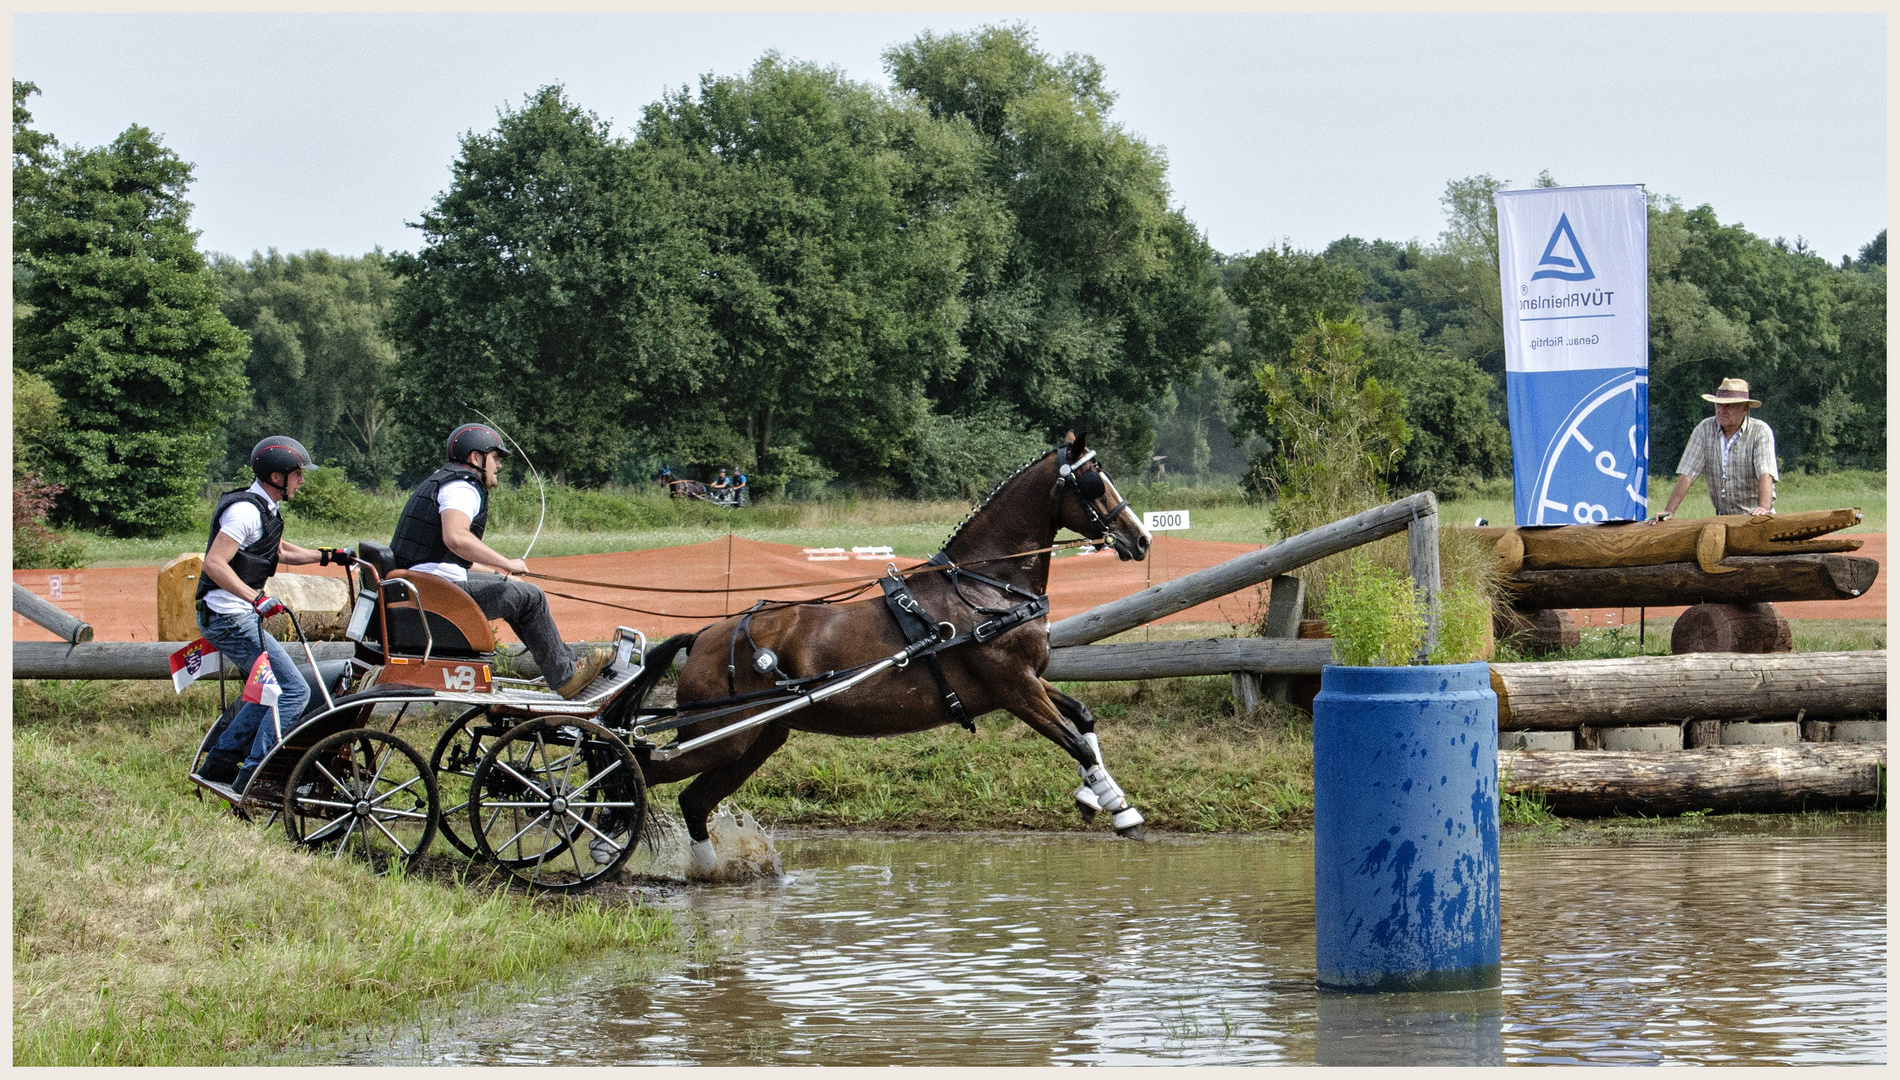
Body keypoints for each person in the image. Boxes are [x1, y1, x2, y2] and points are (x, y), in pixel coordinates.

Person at [389, 423, 613, 698]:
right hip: (437, 593)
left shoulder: (441, 479)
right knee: (531, 597)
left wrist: (497, 572)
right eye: (495, 457)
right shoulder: (463, 486)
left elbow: (448, 552)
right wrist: (507, 563)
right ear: (475, 458)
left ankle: (566, 666)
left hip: (426, 584)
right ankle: (566, 677)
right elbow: (456, 538)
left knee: (513, 588)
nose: (499, 465)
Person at [195, 437, 353, 791]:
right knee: (291, 690)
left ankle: (218, 765)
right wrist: (255, 598)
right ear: (276, 476)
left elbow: (279, 551)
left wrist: (328, 556)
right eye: (297, 474)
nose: (301, 481)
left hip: (236, 615)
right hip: (227, 618)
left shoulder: (266, 509)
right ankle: (255, 774)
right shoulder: (246, 512)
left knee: (268, 688)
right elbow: (214, 563)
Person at [1654, 378, 1779, 522]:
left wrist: (1763, 508)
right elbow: (1688, 473)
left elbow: (1765, 473)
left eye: (1729, 406)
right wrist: (1669, 510)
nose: (1722, 410)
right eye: (1719, 405)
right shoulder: (1704, 429)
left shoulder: (1760, 431)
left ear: (1745, 409)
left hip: (1754, 517)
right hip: (1722, 518)